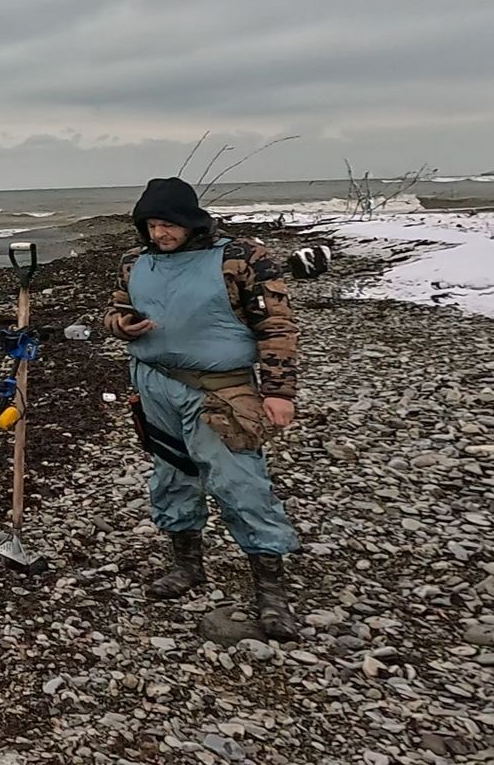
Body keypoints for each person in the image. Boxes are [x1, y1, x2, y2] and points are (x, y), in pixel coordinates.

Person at [104, 176, 301, 640]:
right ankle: (187, 565)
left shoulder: (243, 259)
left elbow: (276, 325)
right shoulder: (135, 263)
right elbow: (113, 310)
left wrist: (279, 392)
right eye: (151, 225)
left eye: (167, 225)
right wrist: (121, 325)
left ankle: (270, 592)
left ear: (191, 222)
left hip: (221, 391)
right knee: (172, 477)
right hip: (153, 386)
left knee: (239, 481)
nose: (159, 235)